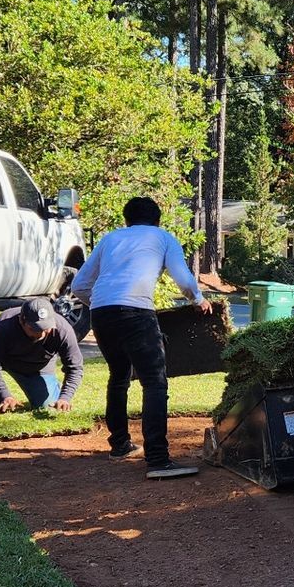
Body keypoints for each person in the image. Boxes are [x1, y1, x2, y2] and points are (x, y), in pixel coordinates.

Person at [68, 196, 207, 479]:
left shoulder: (110, 239)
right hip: (136, 311)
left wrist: (100, 302)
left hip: (101, 312)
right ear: (157, 220)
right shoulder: (163, 237)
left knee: (119, 376)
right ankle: (158, 459)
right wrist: (198, 299)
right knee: (154, 382)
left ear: (126, 220)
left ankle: (120, 444)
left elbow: (79, 285)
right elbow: (183, 278)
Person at [0, 297, 83, 414]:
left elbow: (75, 368)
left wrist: (65, 397)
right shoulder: (4, 324)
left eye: (45, 328)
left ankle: (49, 393)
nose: (41, 334)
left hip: (36, 369)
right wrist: (4, 396)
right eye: (34, 328)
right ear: (21, 320)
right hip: (4, 357)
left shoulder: (62, 329)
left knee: (47, 408)